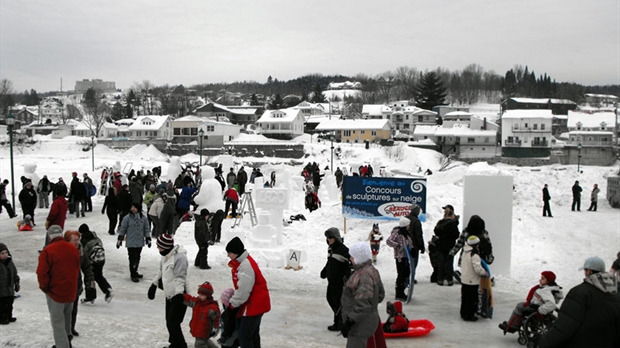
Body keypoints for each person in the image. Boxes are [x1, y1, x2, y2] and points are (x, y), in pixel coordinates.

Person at [539, 256, 620, 347]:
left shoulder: (580, 293)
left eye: (585, 271)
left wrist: (545, 343)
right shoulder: (616, 293)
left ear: (589, 271)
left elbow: (564, 326)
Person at [37, 225, 81, 348]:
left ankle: (62, 345)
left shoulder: (48, 251)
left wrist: (45, 288)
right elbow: (77, 269)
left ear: (49, 236)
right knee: (67, 319)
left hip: (55, 292)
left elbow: (42, 272)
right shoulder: (73, 249)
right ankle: (68, 340)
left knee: (57, 323)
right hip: (70, 291)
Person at [225, 236, 271, 348]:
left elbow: (243, 291)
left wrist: (232, 305)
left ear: (236, 253)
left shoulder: (245, 266)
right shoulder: (243, 263)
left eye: (229, 253)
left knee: (244, 336)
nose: (228, 255)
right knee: (253, 335)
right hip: (256, 303)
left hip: (254, 305)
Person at [340, 242, 386, 348]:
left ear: (358, 257)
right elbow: (380, 295)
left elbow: (363, 304)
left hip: (360, 324)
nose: (350, 258)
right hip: (367, 320)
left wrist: (350, 321)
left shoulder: (363, 275)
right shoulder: (372, 270)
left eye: (352, 256)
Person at [148, 234, 189, 348]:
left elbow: (180, 277)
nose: (158, 249)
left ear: (165, 247)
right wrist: (153, 285)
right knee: (169, 321)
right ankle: (175, 343)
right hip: (169, 294)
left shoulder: (180, 258)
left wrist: (179, 295)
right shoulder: (165, 256)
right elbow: (160, 272)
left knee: (173, 322)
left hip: (179, 295)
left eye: (159, 246)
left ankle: (181, 345)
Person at [499, 271, 563, 334]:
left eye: (543, 278)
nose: (540, 280)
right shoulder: (551, 288)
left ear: (548, 281)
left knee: (519, 306)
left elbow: (552, 304)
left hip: (536, 309)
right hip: (537, 306)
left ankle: (512, 327)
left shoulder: (545, 290)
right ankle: (512, 324)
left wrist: (540, 311)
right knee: (521, 305)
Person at [64, 230, 94, 337]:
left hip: (75, 285)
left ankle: (71, 328)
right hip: (63, 285)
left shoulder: (81, 251)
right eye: (74, 240)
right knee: (64, 310)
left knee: (73, 308)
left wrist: (90, 281)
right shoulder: (62, 252)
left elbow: (87, 267)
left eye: (78, 240)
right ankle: (63, 330)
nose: (77, 242)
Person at [320, 227, 351, 332]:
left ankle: (340, 323)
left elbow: (351, 263)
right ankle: (340, 321)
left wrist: (347, 276)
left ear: (336, 237)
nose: (329, 239)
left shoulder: (343, 250)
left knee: (338, 302)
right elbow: (330, 262)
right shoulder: (331, 249)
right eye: (328, 237)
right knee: (330, 299)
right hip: (331, 280)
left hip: (339, 282)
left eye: (331, 237)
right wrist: (324, 271)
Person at [78, 224, 113, 304]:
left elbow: (84, 253)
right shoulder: (96, 238)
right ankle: (108, 289)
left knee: (89, 278)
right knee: (98, 276)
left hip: (92, 261)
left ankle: (90, 296)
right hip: (101, 259)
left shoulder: (84, 240)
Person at [117, 202, 151, 282]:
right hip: (131, 242)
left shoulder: (143, 218)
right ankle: (133, 274)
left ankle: (135, 271)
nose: (133, 209)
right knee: (132, 258)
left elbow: (146, 229)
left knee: (138, 257)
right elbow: (123, 229)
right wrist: (120, 239)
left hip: (139, 242)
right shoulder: (127, 218)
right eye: (132, 207)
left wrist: (148, 238)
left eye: (134, 207)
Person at [459, 236, 489, 322]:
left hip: (465, 279)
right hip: (472, 280)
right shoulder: (474, 254)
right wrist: (484, 273)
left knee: (465, 297)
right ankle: (469, 315)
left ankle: (463, 313)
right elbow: (477, 268)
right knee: (472, 299)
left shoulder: (465, 251)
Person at [182, 282, 221, 348]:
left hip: (204, 331)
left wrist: (215, 329)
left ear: (208, 296)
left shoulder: (212, 308)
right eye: (199, 294)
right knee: (205, 341)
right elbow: (190, 300)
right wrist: (181, 296)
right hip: (198, 329)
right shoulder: (197, 302)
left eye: (202, 295)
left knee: (199, 344)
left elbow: (216, 319)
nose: (200, 296)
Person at [386, 217, 414, 301]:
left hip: (406, 257)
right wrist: (398, 246)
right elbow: (388, 241)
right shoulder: (397, 233)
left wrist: (412, 249)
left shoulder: (407, 234)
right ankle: (399, 293)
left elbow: (409, 243)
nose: (409, 226)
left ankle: (403, 290)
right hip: (400, 258)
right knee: (401, 275)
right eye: (408, 225)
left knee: (406, 273)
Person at [433, 205, 460, 286]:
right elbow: (456, 235)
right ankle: (449, 280)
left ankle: (440, 279)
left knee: (441, 263)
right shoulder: (453, 224)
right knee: (449, 263)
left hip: (441, 245)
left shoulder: (440, 223)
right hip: (450, 246)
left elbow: (436, 231)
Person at [0, 243, 20, 325]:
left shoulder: (10, 263)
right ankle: (2, 318)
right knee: (2, 305)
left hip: (9, 289)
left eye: (6, 253)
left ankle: (9, 316)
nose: (5, 255)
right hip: (1, 291)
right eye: (2, 253)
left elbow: (14, 274)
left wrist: (16, 283)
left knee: (9, 304)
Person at [407, 204, 426, 282]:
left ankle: (406, 277)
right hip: (414, 246)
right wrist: (421, 246)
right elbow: (418, 235)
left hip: (405, 244)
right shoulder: (416, 221)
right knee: (413, 263)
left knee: (406, 262)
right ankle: (411, 278)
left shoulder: (405, 218)